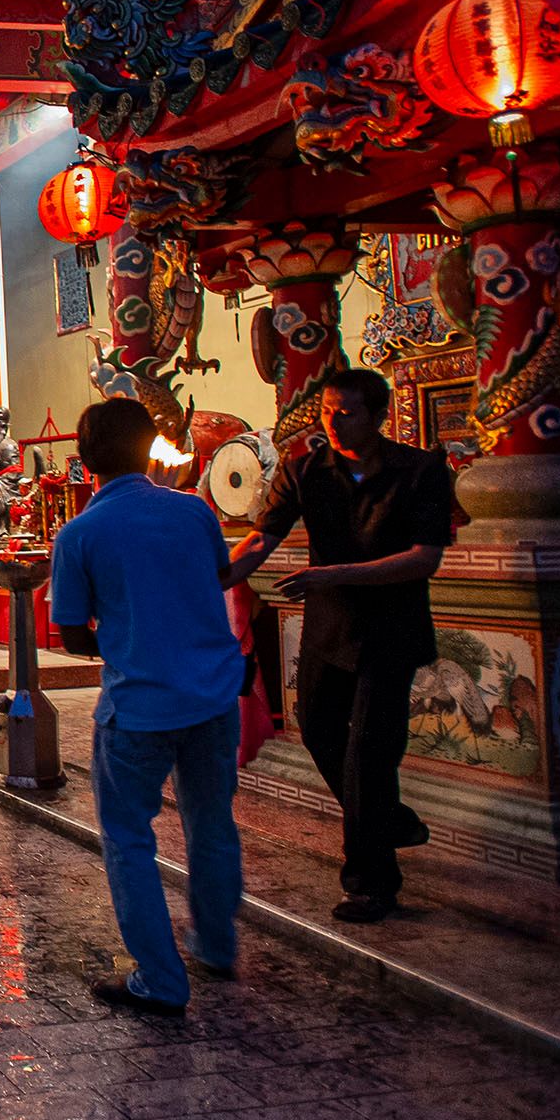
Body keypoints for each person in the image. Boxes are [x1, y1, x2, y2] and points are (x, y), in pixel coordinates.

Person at [228, 368, 452, 923]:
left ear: (376, 417)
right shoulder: (306, 470)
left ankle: (370, 884)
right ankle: (391, 820)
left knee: (369, 755)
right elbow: (262, 537)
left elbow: (425, 557)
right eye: (326, 409)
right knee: (323, 738)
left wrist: (334, 574)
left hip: (391, 632)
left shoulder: (420, 470)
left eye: (346, 412)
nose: (332, 420)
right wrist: (211, 581)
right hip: (330, 630)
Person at [49, 398, 248, 1020]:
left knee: (130, 840)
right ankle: (216, 946)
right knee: (211, 823)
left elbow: (74, 634)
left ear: (83, 461)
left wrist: (126, 633)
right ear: (152, 447)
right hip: (213, 697)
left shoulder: (80, 533)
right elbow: (217, 578)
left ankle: (161, 979)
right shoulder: (194, 513)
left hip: (137, 705)